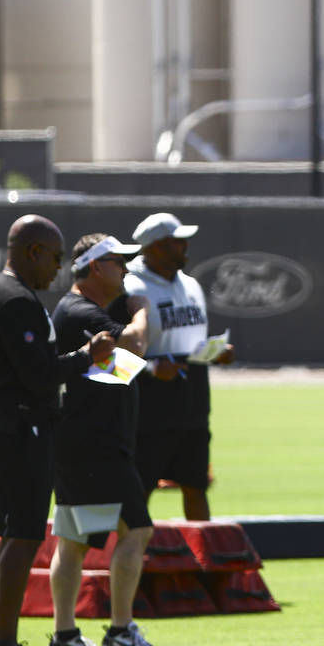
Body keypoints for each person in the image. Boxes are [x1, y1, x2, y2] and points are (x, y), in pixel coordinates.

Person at [0, 214, 115, 646]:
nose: (58, 268)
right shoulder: (14, 300)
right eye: (54, 257)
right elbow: (37, 375)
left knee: (19, 534)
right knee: (25, 534)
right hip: (16, 427)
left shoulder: (10, 295)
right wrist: (86, 358)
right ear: (32, 252)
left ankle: (1, 644)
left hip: (9, 425)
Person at [44, 233, 173, 646]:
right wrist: (141, 311)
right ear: (96, 267)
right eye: (119, 263)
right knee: (136, 530)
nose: (127, 270)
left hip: (81, 440)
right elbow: (133, 346)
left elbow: (122, 367)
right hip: (96, 442)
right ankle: (119, 631)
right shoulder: (82, 311)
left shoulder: (78, 309)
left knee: (74, 540)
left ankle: (65, 636)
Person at [125, 212, 234, 520]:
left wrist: (215, 352)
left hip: (193, 403)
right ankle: (130, 562)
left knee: (195, 485)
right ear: (157, 246)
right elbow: (114, 353)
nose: (185, 246)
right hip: (151, 407)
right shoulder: (131, 287)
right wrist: (150, 368)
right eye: (178, 241)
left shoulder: (190, 285)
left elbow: (189, 342)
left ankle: (204, 564)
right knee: (141, 488)